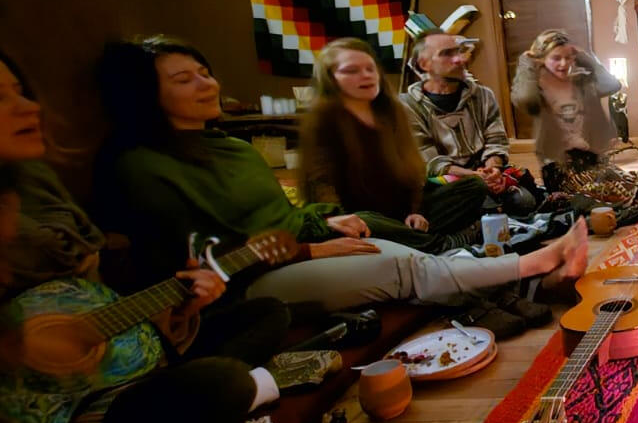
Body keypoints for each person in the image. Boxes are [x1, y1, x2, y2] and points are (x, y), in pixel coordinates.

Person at [0, 34, 326, 423]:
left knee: (267, 315)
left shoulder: (33, 182)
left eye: (20, 92)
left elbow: (99, 304)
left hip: (120, 355)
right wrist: (20, 349)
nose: (29, 107)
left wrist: (182, 306)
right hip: (39, 419)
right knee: (223, 383)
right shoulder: (137, 165)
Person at [97, 37, 588, 318]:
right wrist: (317, 240)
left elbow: (292, 214)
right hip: (260, 275)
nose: (207, 84)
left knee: (454, 208)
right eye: (184, 79)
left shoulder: (234, 150)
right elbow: (211, 257)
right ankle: (530, 266)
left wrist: (330, 225)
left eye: (205, 72)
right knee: (404, 261)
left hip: (330, 235)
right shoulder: (144, 166)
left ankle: (509, 266)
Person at [300, 38, 489, 254]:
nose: (366, 76)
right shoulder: (323, 120)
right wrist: (339, 220)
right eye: (351, 71)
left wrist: (415, 212)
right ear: (330, 79)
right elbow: (322, 190)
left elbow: (412, 173)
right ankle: (441, 244)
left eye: (370, 68)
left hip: (400, 214)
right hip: (357, 218)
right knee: (362, 221)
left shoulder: (391, 112)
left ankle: (416, 238)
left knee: (473, 186)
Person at [401, 30, 538, 214]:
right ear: (424, 64)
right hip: (447, 182)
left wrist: (493, 171)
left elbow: (496, 141)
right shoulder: (408, 105)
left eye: (458, 52)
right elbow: (429, 161)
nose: (459, 59)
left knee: (524, 202)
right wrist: (474, 178)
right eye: (446, 54)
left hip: (483, 173)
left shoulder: (483, 95)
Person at [511, 29, 638, 210]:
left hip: (591, 161)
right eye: (556, 58)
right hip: (561, 168)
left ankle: (635, 202)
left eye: (567, 57)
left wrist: (585, 57)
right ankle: (627, 205)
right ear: (542, 59)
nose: (563, 64)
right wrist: (526, 62)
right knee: (604, 194)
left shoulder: (581, 82)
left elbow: (612, 85)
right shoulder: (536, 89)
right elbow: (525, 99)